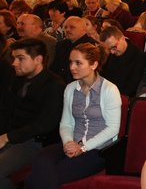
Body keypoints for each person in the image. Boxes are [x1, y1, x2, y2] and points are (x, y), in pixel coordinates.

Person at [26, 43, 121, 189]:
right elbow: (66, 123)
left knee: (38, 178)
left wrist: (82, 148)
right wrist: (68, 143)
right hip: (72, 144)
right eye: (70, 62)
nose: (72, 67)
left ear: (94, 64)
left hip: (97, 150)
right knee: (42, 158)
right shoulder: (70, 88)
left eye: (78, 63)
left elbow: (113, 129)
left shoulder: (109, 89)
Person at [0, 38, 65, 189]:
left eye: (20, 58)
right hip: (12, 135)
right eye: (14, 58)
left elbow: (44, 125)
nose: (14, 63)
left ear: (38, 59)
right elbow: (6, 111)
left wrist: (8, 137)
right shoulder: (17, 79)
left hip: (35, 141)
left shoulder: (55, 86)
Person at [100, 25, 146, 97]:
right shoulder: (111, 53)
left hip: (122, 97)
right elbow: (103, 76)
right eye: (108, 49)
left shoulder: (139, 57)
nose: (112, 52)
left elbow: (131, 88)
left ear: (122, 38)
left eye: (114, 47)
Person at [50, 17, 98, 83]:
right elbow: (54, 67)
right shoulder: (61, 44)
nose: (67, 30)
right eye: (65, 27)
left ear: (83, 29)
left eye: (72, 27)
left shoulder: (90, 45)